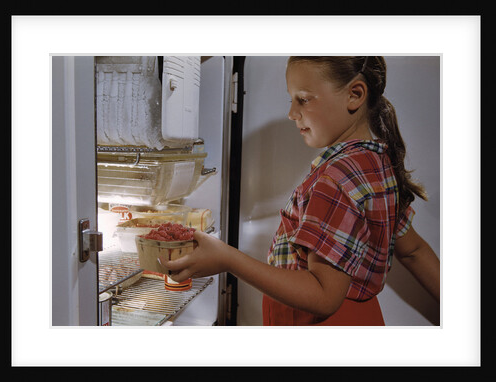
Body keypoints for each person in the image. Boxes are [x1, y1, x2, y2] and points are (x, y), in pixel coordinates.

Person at [160, 56, 440, 326]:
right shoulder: (375, 164)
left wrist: (227, 258)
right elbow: (413, 250)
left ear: (354, 95)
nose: (292, 113)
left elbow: (323, 296)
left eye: (303, 99)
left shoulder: (338, 177)